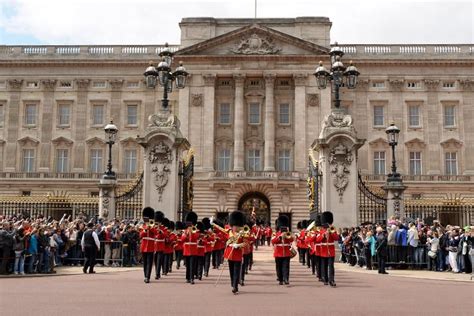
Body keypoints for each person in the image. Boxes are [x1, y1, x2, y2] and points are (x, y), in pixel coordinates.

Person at [224, 211, 246, 294]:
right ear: (232, 225)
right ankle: (233, 283)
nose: (235, 227)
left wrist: (238, 245)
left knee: (237, 270)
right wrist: (229, 244)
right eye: (234, 226)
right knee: (231, 271)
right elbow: (226, 241)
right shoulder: (229, 233)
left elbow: (246, 243)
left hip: (238, 254)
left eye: (237, 226)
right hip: (230, 254)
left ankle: (235, 286)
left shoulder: (242, 234)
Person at [317, 211, 338, 287]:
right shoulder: (321, 231)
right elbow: (318, 240)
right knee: (324, 266)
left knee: (331, 266)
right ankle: (325, 279)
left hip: (331, 251)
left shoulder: (333, 229)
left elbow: (336, 238)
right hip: (324, 251)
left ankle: (331, 280)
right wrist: (323, 235)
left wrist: (331, 232)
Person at [272, 215, 294, 285]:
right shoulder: (275, 233)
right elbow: (273, 241)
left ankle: (286, 279)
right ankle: (280, 279)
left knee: (286, 266)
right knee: (279, 267)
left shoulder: (288, 233)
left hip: (286, 253)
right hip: (278, 253)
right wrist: (280, 237)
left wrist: (287, 235)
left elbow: (292, 239)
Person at [140, 207, 157, 283]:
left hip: (150, 246)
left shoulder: (153, 226)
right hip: (144, 246)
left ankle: (148, 277)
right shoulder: (142, 226)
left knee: (149, 262)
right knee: (145, 262)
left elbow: (156, 233)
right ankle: (145, 275)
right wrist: (145, 229)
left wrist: (150, 228)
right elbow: (141, 235)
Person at [182, 211, 199, 284]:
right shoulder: (185, 231)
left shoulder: (196, 230)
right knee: (188, 265)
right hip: (186, 250)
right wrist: (186, 234)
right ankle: (188, 277)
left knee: (192, 264)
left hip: (193, 249)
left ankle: (192, 278)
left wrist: (191, 232)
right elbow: (183, 239)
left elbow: (196, 237)